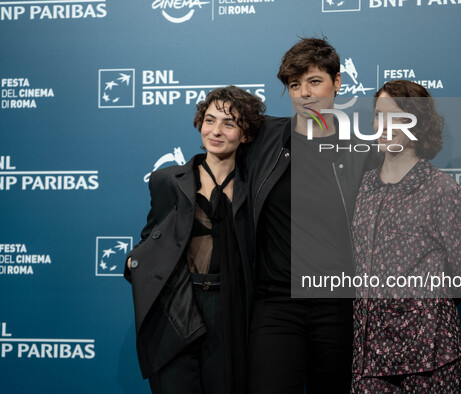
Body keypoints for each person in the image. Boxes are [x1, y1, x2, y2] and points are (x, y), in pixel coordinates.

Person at [246, 37, 380, 394]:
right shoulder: (263, 139)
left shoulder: (362, 152)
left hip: (337, 306)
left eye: (314, 81)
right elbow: (212, 157)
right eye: (294, 85)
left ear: (337, 82)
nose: (304, 93)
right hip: (275, 304)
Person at [351, 80, 461, 392]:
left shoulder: (441, 189)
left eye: (396, 117)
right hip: (368, 356)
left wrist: (428, 306)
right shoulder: (361, 187)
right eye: (377, 116)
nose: (382, 126)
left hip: (430, 356)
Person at [124, 86, 265, 394]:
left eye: (229, 123)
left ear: (246, 134)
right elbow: (152, 239)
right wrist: (135, 263)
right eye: (210, 120)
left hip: (232, 310)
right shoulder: (167, 181)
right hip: (179, 306)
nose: (215, 131)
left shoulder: (256, 187)